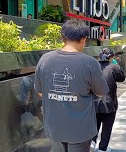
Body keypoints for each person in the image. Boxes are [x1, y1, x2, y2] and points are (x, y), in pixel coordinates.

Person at [34, 20, 109, 152]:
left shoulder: (44, 59)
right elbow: (101, 92)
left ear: (63, 37)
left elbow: (40, 92)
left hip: (54, 127)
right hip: (80, 129)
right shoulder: (89, 63)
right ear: (84, 39)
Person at [91, 48, 126, 152]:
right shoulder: (114, 67)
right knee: (107, 128)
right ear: (111, 57)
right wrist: (115, 65)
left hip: (93, 103)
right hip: (109, 104)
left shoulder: (93, 66)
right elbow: (122, 78)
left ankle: (92, 144)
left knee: (94, 126)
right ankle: (103, 148)